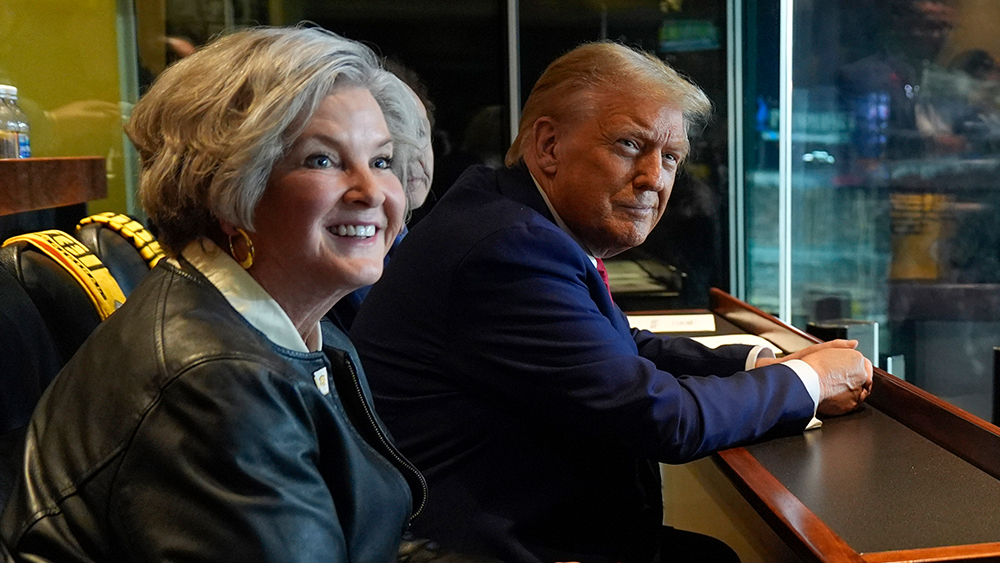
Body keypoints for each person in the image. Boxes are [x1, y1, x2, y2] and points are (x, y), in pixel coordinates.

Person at [350, 41, 874, 563]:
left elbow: (612, 345)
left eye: (670, 158)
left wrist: (759, 363)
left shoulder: (504, 213)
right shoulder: (507, 249)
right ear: (549, 146)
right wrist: (810, 381)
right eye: (629, 145)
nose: (654, 179)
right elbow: (662, 419)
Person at [1, 26, 429, 562]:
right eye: (322, 160)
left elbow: (364, 539)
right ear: (229, 186)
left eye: (381, 161)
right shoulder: (216, 384)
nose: (372, 192)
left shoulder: (307, 331)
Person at [327, 60, 435, 333]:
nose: (413, 155)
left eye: (420, 132)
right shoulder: (340, 260)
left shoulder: (434, 247)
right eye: (322, 161)